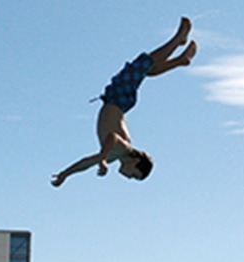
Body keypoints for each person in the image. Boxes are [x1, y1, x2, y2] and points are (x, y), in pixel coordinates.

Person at [51, 17, 197, 187]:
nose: (129, 177)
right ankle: (177, 40)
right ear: (135, 162)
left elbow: (85, 163)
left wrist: (65, 174)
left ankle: (180, 61)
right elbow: (113, 137)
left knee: (146, 69)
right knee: (141, 65)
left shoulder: (113, 156)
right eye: (134, 175)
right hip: (119, 99)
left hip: (117, 100)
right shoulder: (125, 149)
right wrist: (103, 158)